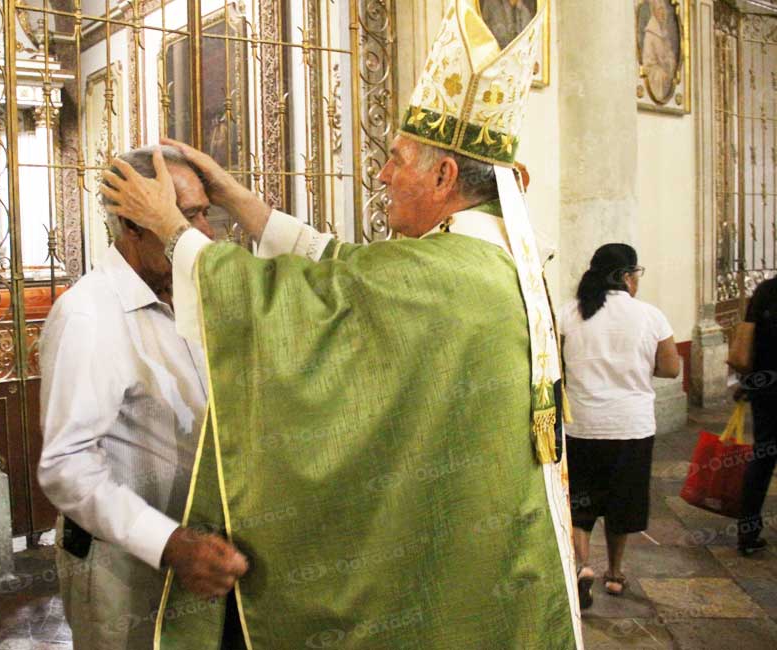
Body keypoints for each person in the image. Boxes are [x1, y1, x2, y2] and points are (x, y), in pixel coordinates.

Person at [102, 1, 582, 647]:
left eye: (397, 160)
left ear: (444, 175)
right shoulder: (487, 253)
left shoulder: (450, 270)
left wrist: (167, 225)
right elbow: (352, 274)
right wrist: (240, 200)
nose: (382, 174)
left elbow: (317, 298)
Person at [37, 146, 248, 650]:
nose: (207, 232)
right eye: (186, 215)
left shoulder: (194, 295)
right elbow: (65, 466)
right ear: (132, 225)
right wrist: (169, 543)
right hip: (126, 570)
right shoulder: (88, 315)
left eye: (204, 213)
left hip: (201, 556)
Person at [558, 244, 680, 607]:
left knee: (580, 502)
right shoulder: (651, 316)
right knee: (621, 503)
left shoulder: (569, 314)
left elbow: (558, 365)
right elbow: (672, 368)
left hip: (582, 426)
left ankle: (582, 566)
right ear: (627, 276)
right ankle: (614, 573)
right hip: (631, 427)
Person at [728, 276, 777, 556]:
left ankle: (747, 534)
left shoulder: (765, 291)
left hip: (765, 390)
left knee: (761, 460)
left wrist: (748, 383)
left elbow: (749, 340)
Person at [642, 0, 678, 101]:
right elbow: (648, 64)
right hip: (656, 78)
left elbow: (671, 56)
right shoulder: (650, 35)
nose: (663, 13)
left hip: (666, 78)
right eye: (660, 10)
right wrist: (661, 73)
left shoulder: (664, 33)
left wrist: (670, 64)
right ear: (654, 12)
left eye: (664, 10)